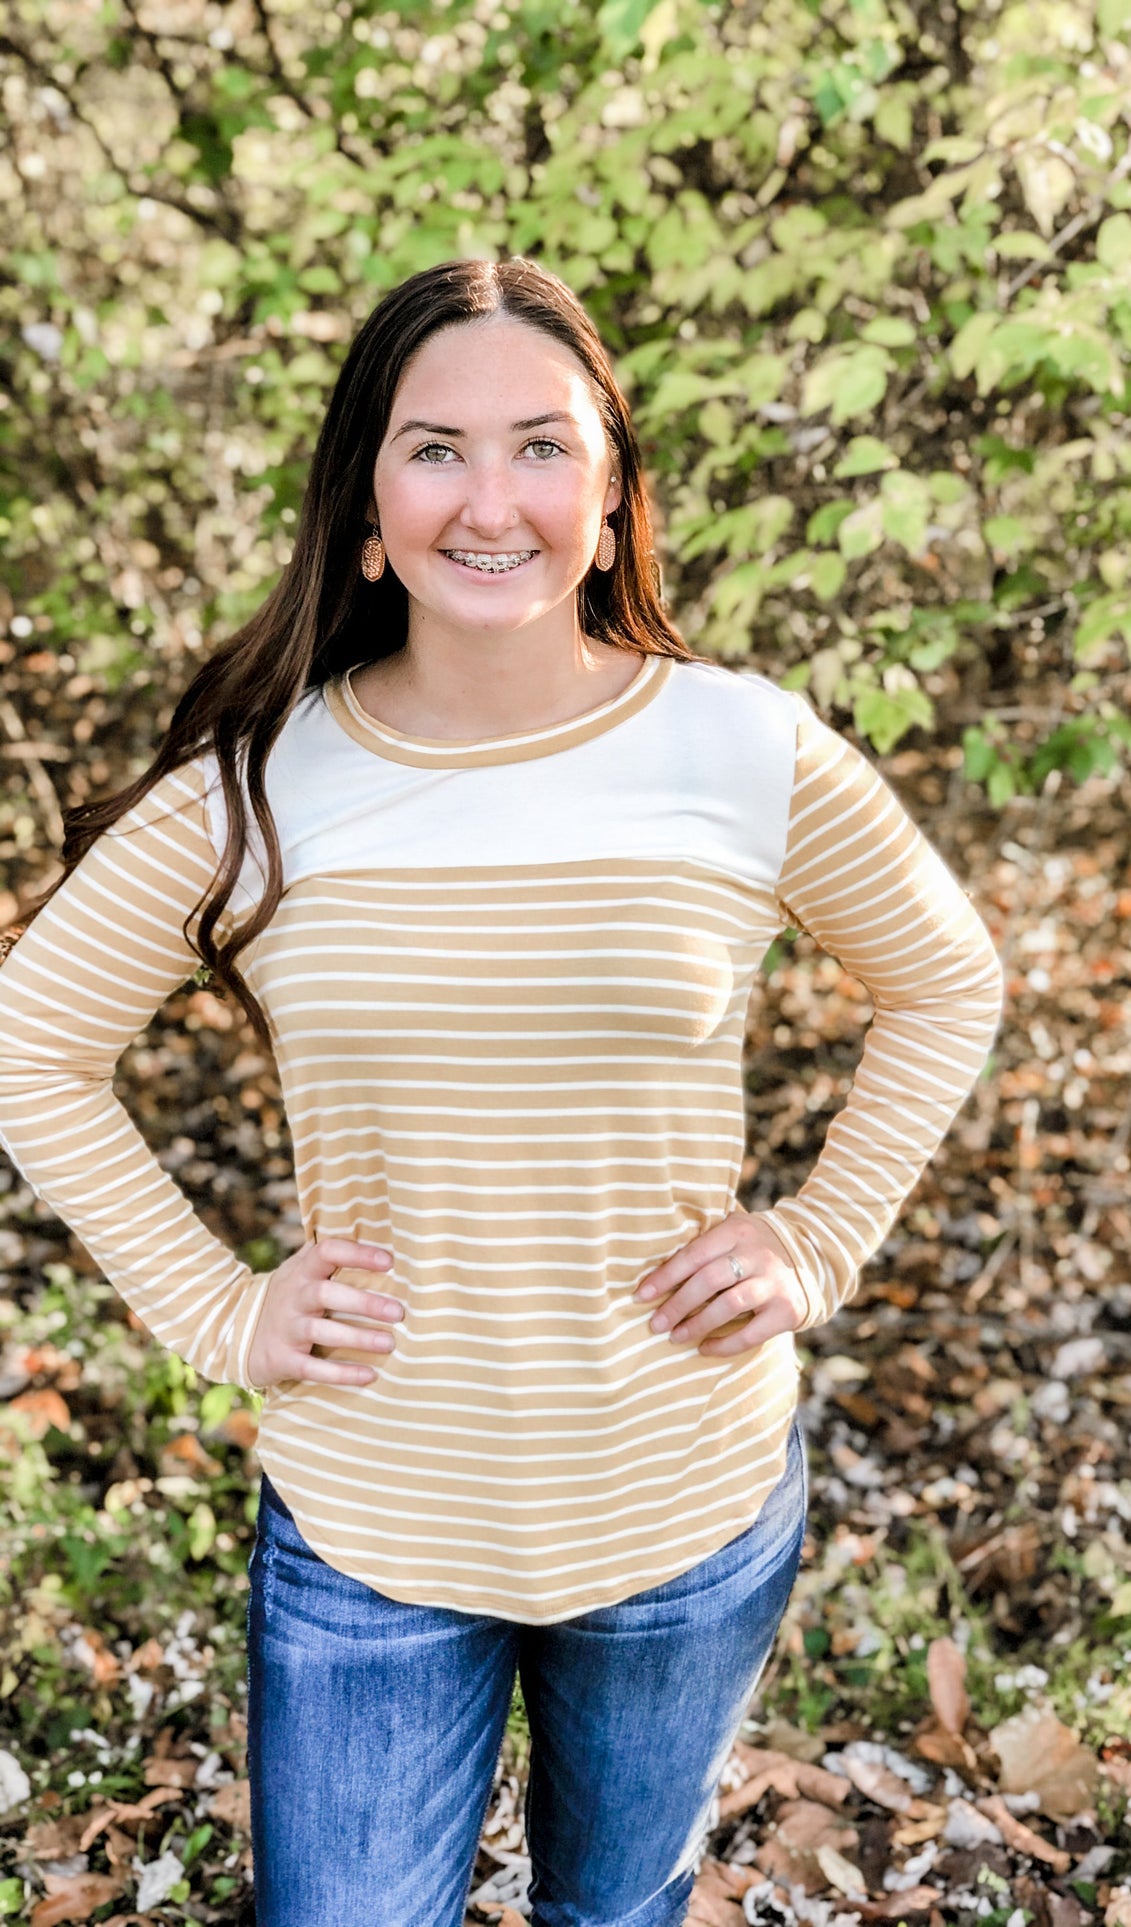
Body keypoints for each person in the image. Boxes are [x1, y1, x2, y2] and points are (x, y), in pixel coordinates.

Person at [0, 256, 1004, 1927]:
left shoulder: (743, 750)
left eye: (540, 447)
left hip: (682, 1496)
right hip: (375, 1515)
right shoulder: (256, 790)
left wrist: (816, 1243)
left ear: (609, 502)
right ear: (366, 509)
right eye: (434, 448)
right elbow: (28, 1043)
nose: (491, 499)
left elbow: (946, 978)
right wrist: (215, 1311)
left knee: (616, 1915)